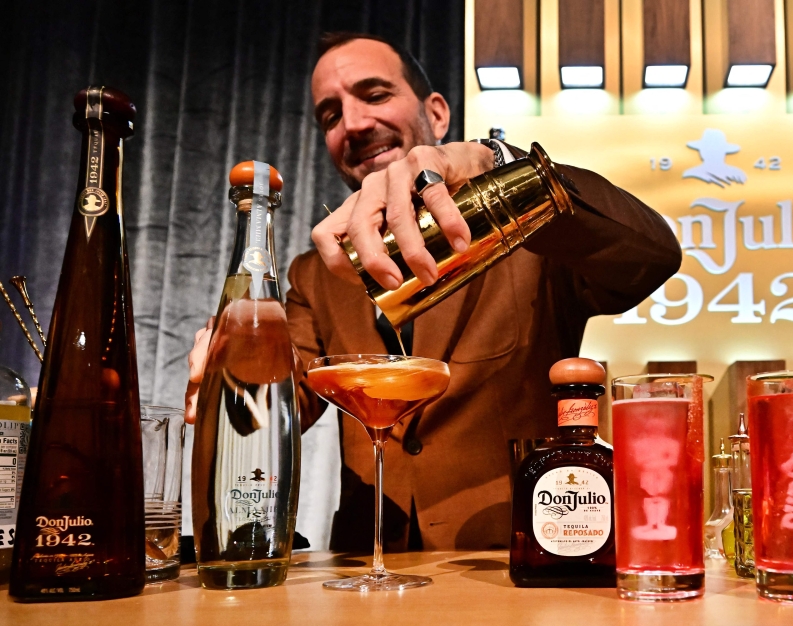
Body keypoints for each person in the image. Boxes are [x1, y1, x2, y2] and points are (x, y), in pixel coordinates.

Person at [186, 32, 682, 551]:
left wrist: (500, 163)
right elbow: (280, 404)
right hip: (366, 568)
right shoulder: (316, 273)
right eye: (331, 116)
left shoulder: (531, 231)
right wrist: (232, 386)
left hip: (512, 562)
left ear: (438, 115)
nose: (353, 123)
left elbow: (651, 256)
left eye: (374, 95)